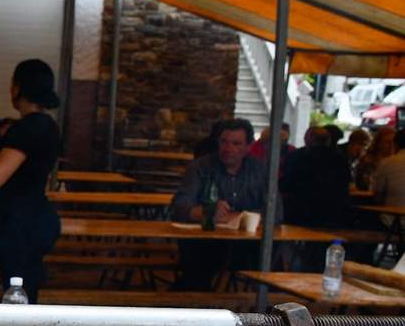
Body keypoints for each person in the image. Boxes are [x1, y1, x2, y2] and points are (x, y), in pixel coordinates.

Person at [0, 60, 62, 304]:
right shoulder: (48, 125)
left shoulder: (28, 127)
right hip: (34, 218)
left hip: (19, 225)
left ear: (20, 88)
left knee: (18, 292)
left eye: (12, 85)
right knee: (27, 289)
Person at [169, 118, 271, 290]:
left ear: (248, 147)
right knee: (198, 269)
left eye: (236, 143)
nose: (228, 148)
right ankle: (192, 307)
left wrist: (241, 217)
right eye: (224, 142)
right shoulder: (200, 167)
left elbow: (276, 213)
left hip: (247, 246)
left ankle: (268, 313)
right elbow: (178, 208)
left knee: (272, 266)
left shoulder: (260, 170)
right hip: (205, 244)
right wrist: (204, 211)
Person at [281, 126, 354, 269]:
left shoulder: (297, 157)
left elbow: (285, 185)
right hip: (334, 217)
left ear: (307, 139)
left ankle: (296, 266)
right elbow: (346, 185)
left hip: (299, 216)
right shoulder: (340, 159)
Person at [371, 126, 405, 207]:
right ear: (378, 144)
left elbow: (377, 195)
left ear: (396, 144)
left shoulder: (386, 163)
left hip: (392, 216)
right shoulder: (371, 160)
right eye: (387, 142)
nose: (390, 146)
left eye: (391, 142)